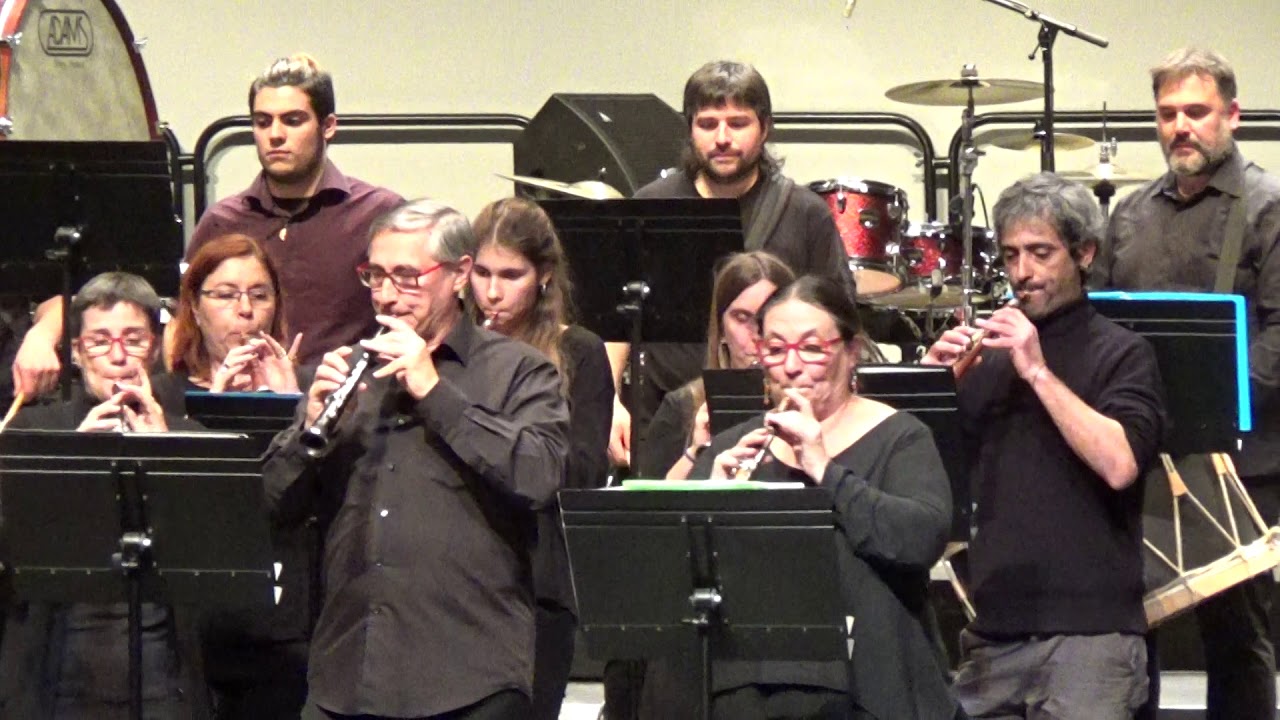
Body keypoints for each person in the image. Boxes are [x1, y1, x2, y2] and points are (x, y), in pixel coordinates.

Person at [263, 199, 569, 720]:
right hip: (347, 675)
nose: (386, 295)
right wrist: (309, 429)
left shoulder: (520, 371)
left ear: (459, 275)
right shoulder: (346, 371)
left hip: (469, 679)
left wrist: (434, 391)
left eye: (406, 277)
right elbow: (271, 506)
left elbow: (540, 475)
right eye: (375, 276)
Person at [9, 53, 402, 397]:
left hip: (343, 406)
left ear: (328, 126)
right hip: (230, 400)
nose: (275, 135)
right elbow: (179, 321)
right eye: (262, 122)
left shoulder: (376, 214)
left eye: (293, 120)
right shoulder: (224, 220)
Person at [925, 173, 1166, 719]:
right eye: (1011, 255)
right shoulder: (984, 357)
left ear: (1084, 254)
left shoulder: (1124, 353)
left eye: (1041, 253)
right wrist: (932, 388)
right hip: (994, 631)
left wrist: (1037, 372)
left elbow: (1120, 464)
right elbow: (927, 477)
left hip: (1091, 636)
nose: (1022, 273)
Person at [1092, 47, 1280, 720]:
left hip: (1241, 459)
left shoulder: (1268, 209)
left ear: (1233, 115)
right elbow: (1099, 323)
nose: (1180, 127)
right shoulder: (1130, 214)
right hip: (1143, 452)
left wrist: (1212, 402)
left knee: (1238, 641)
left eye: (1196, 112)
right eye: (1167, 113)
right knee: (1131, 633)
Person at [675, 274, 955, 720]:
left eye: (810, 348)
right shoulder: (734, 446)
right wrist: (710, 496)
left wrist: (825, 470)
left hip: (864, 688)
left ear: (851, 350)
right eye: (775, 349)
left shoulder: (901, 437)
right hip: (749, 689)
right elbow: (678, 578)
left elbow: (919, 540)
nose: (791, 366)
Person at [607, 60, 856, 471]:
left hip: (773, 415)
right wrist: (612, 403)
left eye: (738, 124)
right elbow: (615, 317)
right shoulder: (652, 205)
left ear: (765, 128)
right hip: (667, 413)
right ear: (690, 129)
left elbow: (839, 324)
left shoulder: (805, 213)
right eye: (707, 124)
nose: (722, 138)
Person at [0, 271, 201, 719]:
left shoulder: (189, 435)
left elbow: (211, 549)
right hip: (59, 669)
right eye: (99, 341)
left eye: (133, 339)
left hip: (164, 670)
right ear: (75, 352)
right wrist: (77, 460)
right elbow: (12, 543)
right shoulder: (34, 431)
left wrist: (164, 451)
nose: (117, 356)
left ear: (155, 348)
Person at [466, 197, 613, 720]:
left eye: (511, 275)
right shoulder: (449, 350)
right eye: (482, 273)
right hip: (456, 580)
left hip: (537, 577)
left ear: (544, 275)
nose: (493, 293)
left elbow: (582, 474)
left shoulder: (579, 352)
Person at [155, 232, 312, 718]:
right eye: (225, 295)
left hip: (286, 618)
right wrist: (212, 417)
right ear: (194, 307)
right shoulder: (165, 397)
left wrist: (292, 410)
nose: (245, 311)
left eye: (259, 295)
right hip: (194, 622)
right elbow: (174, 509)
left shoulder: (308, 388)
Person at [638, 250, 795, 479]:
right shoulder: (682, 407)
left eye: (767, 317)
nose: (757, 335)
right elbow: (649, 498)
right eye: (742, 318)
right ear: (721, 329)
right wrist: (697, 452)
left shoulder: (810, 406)